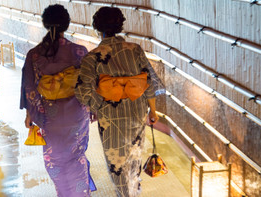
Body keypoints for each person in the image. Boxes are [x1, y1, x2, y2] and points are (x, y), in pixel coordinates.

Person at [75, 6, 163, 197]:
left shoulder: (92, 57)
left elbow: (82, 93)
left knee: (117, 165)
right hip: (136, 113)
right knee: (134, 161)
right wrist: (153, 112)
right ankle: (134, 193)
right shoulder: (135, 50)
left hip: (110, 118)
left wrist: (98, 102)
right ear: (120, 26)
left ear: (98, 28)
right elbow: (149, 82)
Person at [20, 4, 96, 196]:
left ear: (45, 24)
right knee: (76, 155)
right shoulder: (80, 51)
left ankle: (63, 193)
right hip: (76, 115)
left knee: (55, 159)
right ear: (66, 25)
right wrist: (93, 109)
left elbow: (29, 88)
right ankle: (81, 192)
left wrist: (32, 114)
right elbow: (89, 85)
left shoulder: (34, 55)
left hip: (49, 116)